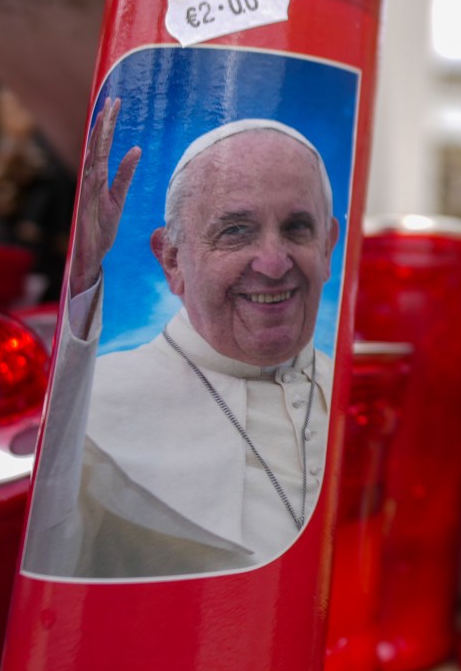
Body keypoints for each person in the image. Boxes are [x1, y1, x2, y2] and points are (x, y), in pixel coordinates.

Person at [26, 105, 341, 579]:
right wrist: (81, 279)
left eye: (297, 228)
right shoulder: (99, 403)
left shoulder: (355, 393)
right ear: (172, 260)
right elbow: (51, 562)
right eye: (236, 231)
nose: (274, 264)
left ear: (329, 246)